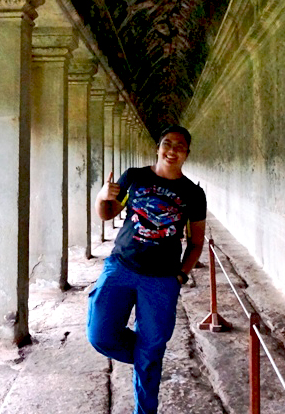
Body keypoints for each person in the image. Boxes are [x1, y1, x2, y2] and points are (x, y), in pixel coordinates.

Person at [87, 125, 207, 414]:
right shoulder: (134, 177)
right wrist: (101, 196)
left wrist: (181, 275)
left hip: (162, 278)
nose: (173, 150)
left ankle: (145, 407)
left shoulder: (193, 194)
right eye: (168, 143)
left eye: (180, 146)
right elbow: (107, 213)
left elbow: (196, 242)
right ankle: (148, 355)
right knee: (100, 334)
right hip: (121, 267)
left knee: (151, 348)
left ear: (187, 153)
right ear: (158, 147)